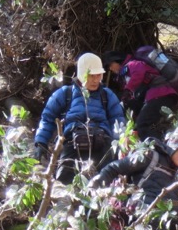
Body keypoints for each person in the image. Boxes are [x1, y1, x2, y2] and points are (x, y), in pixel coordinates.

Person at [34, 53, 125, 184]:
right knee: (63, 180)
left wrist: (121, 143)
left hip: (103, 142)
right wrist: (40, 142)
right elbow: (48, 118)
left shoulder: (107, 95)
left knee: (107, 179)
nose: (95, 80)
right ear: (82, 73)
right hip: (72, 141)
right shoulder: (65, 93)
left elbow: (118, 121)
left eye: (98, 75)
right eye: (91, 75)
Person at [88, 126, 178, 230]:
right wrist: (96, 184)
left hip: (167, 220)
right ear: (175, 146)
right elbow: (115, 168)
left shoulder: (175, 174)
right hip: (145, 213)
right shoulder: (151, 156)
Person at [102, 50, 178, 141]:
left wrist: (128, 90)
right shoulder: (125, 73)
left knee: (141, 125)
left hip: (161, 94)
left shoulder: (132, 64)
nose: (110, 69)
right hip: (157, 96)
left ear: (117, 60)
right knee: (138, 124)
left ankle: (162, 149)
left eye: (110, 65)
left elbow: (138, 73)